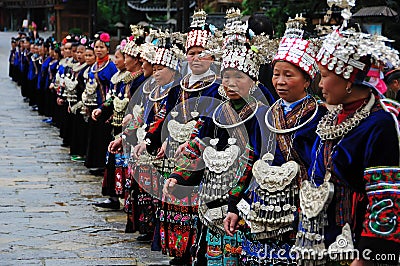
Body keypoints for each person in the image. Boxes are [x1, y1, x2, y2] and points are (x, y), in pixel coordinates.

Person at [292, 4, 400, 264]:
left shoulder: (380, 124)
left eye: (326, 75)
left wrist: (366, 255)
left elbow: (385, 196)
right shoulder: (334, 116)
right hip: (320, 240)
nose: (319, 83)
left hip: (355, 246)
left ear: (349, 82)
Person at [221, 14, 327, 265]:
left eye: (289, 75)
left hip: (302, 206)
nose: (280, 81)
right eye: (277, 73)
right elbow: (253, 159)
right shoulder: (267, 113)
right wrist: (235, 206)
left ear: (307, 80)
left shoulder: (320, 114)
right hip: (261, 204)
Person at [83, 32, 117, 175]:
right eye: (96, 47)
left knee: (103, 135)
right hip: (93, 103)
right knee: (94, 134)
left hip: (105, 105)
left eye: (101, 47)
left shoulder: (111, 66)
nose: (98, 50)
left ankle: (102, 165)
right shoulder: (94, 65)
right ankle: (93, 162)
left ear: (107, 49)